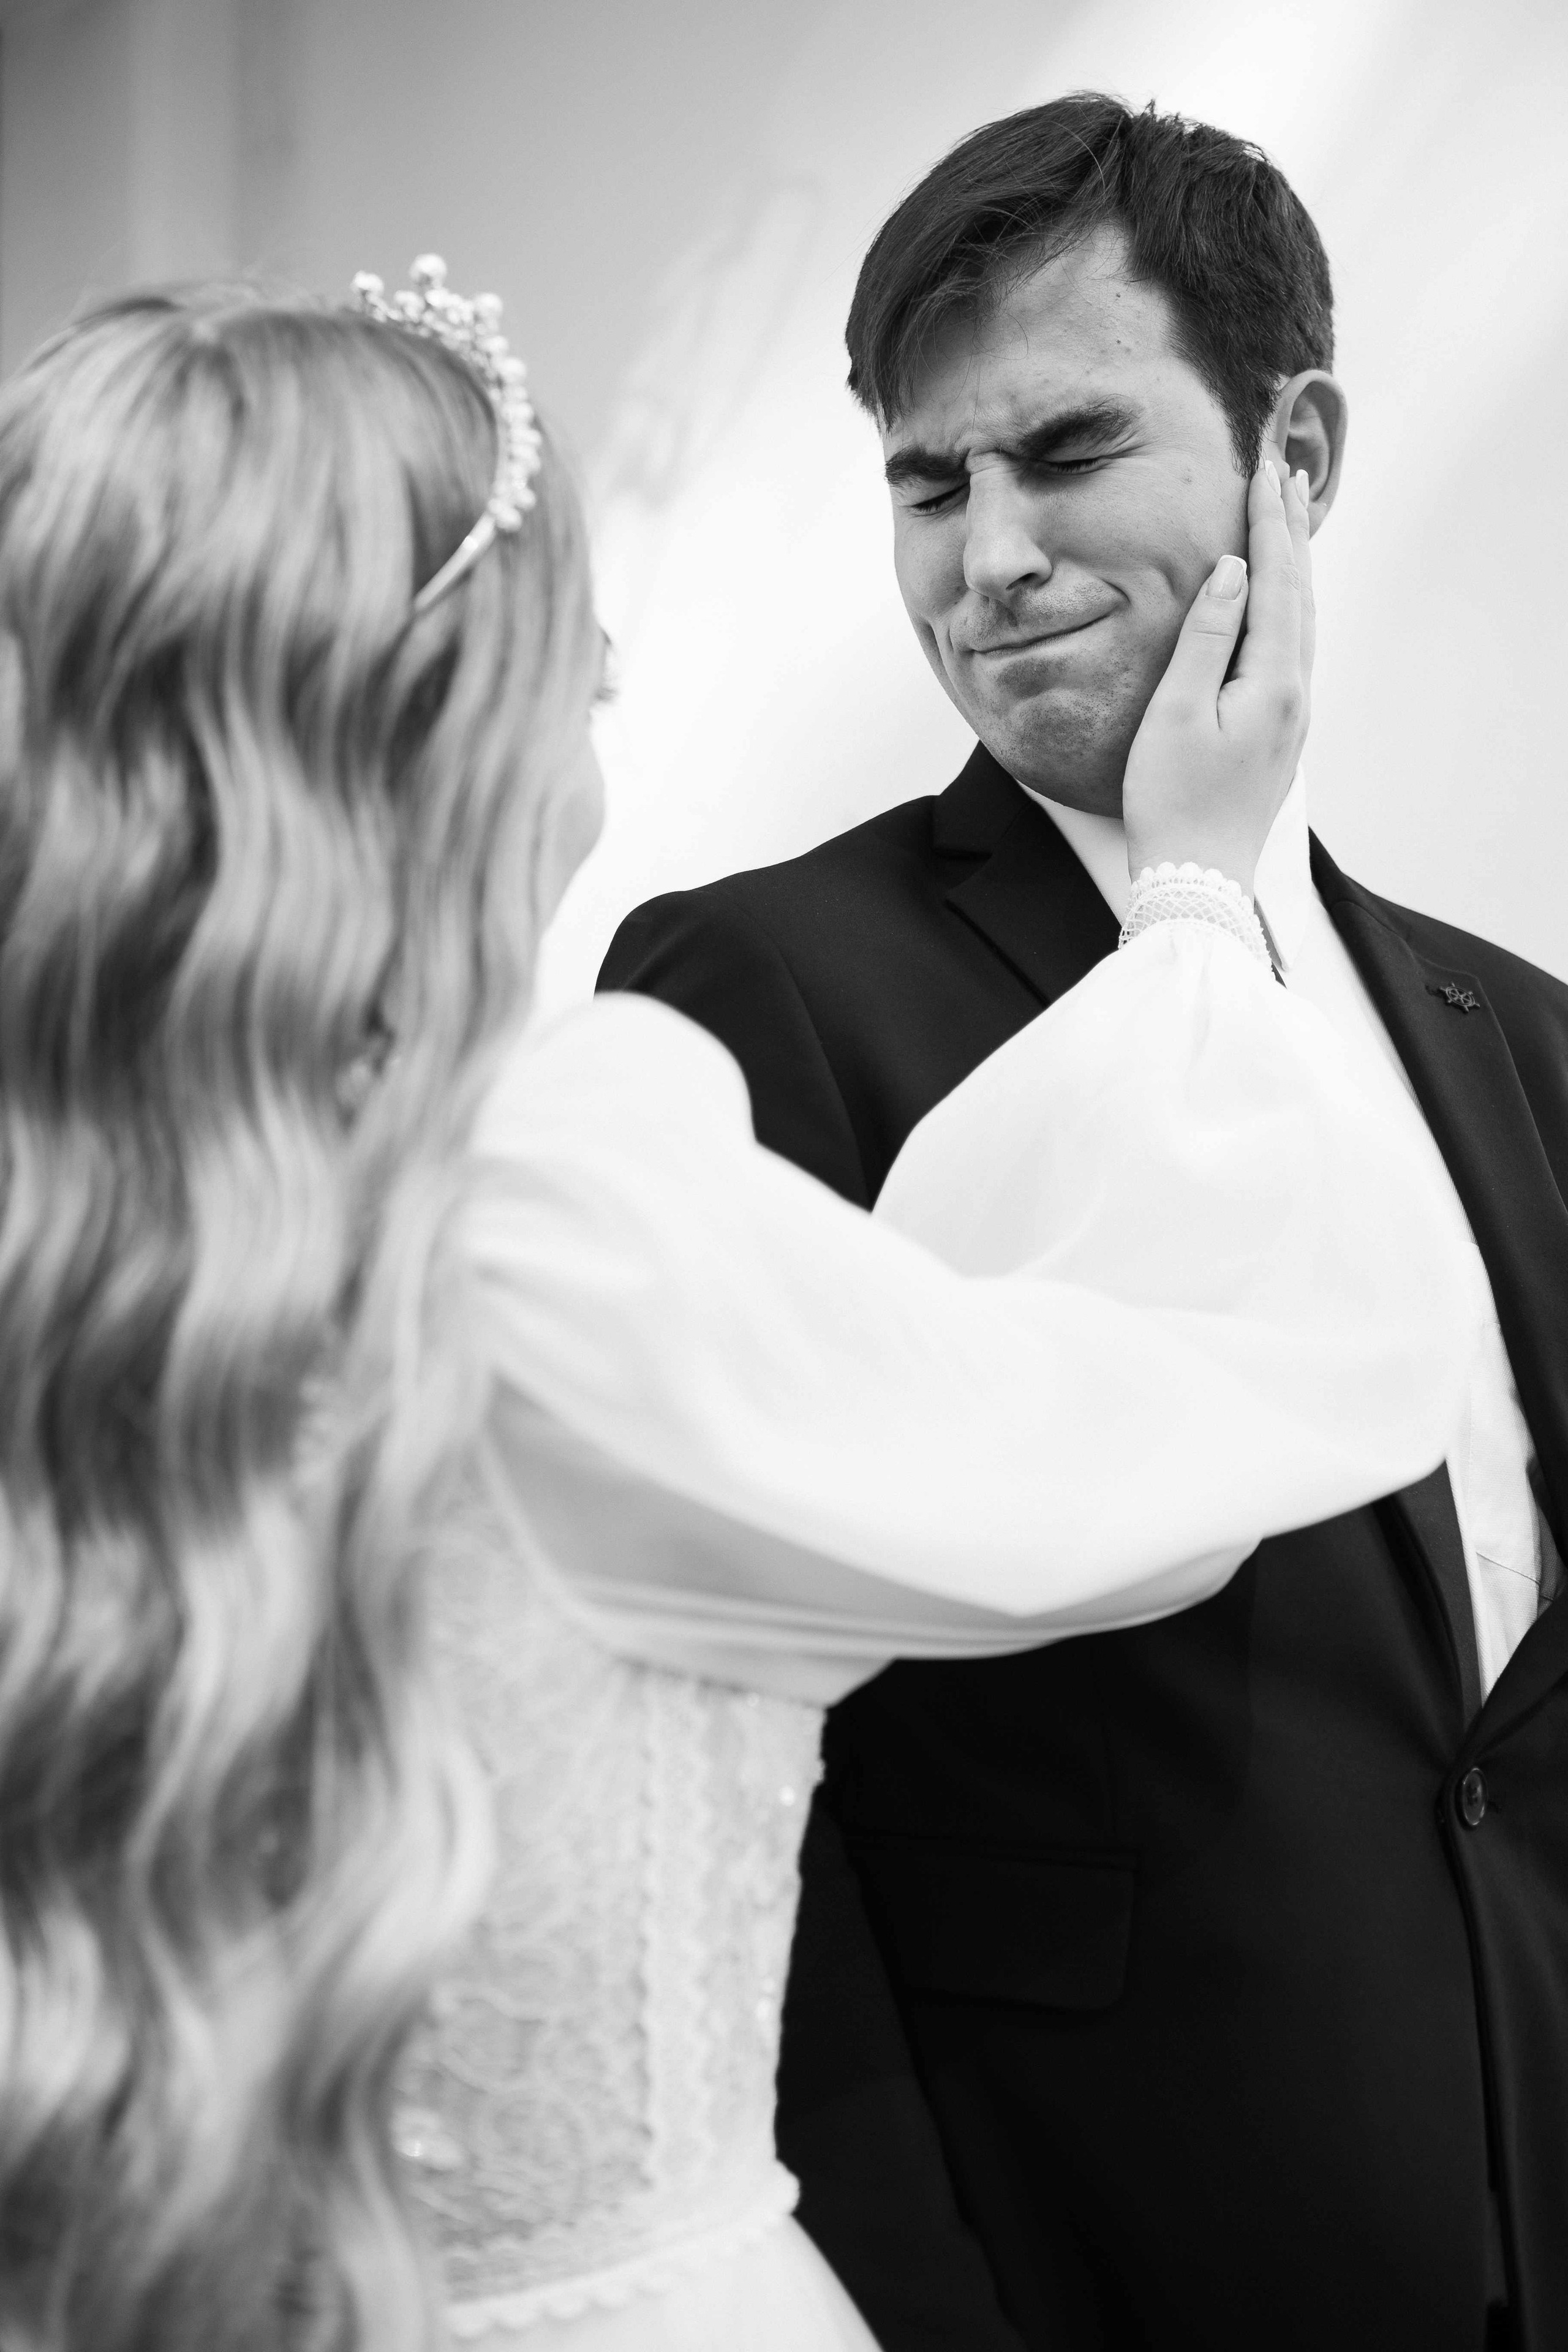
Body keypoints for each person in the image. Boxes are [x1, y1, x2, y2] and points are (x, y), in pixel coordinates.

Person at [0, 266, 1468, 2352]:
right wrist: (1206, 908)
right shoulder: (553, 1214)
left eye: (1066, 454)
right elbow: (1133, 1426)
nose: (994, 557)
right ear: (447, 732)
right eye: (573, 690)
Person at [598, 95, 1568, 2352]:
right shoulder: (758, 986)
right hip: (1070, 2267)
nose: (990, 559)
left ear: (1293, 450)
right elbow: (741, 1791)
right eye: (929, 489)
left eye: (1062, 451)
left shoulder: (1516, 1038)